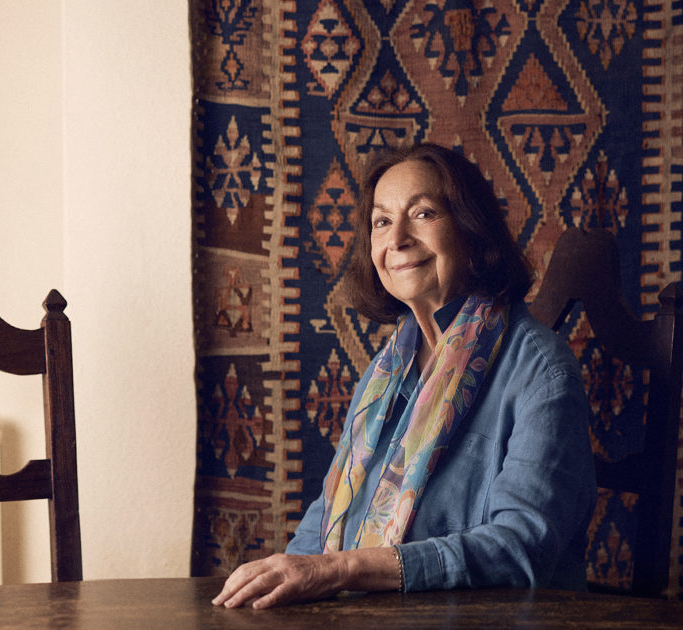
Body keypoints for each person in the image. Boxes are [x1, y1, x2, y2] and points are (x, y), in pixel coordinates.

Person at [213, 143, 597, 609]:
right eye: (381, 222)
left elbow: (519, 551)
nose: (396, 239)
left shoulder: (542, 370)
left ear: (471, 231)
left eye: (422, 214)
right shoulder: (388, 368)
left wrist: (340, 569)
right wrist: (279, 584)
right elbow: (328, 516)